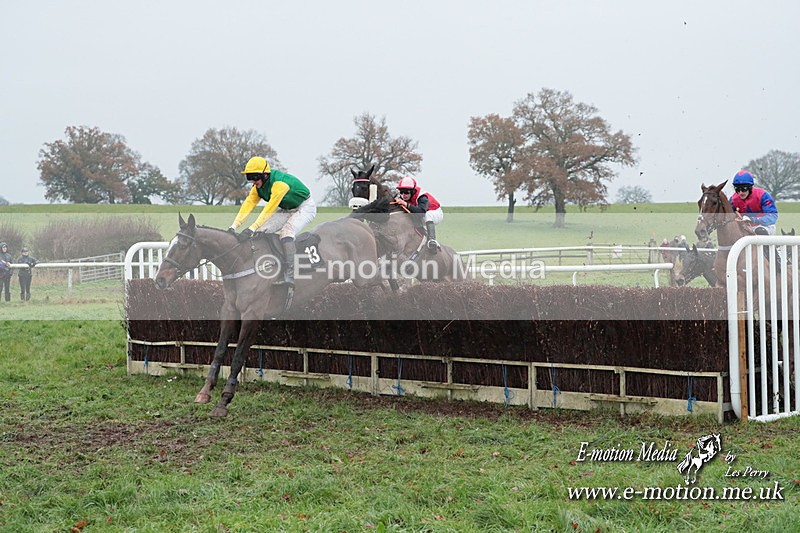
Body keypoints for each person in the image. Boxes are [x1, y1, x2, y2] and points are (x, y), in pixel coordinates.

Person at [228, 156, 317, 287]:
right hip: (287, 209)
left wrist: (251, 228)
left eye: (255, 177)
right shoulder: (258, 187)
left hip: (305, 207)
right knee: (260, 232)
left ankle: (291, 273)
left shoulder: (279, 185)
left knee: (286, 233)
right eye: (249, 177)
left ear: (265, 175)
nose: (253, 182)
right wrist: (233, 226)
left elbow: (269, 209)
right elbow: (248, 205)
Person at [394, 176, 443, 252]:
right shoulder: (402, 197)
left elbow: (421, 212)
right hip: (422, 215)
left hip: (435, 213)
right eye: (401, 192)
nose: (403, 195)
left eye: (406, 192)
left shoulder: (422, 197)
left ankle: (432, 240)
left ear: (413, 191)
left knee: (427, 215)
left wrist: (406, 204)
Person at [730, 170, 778, 235]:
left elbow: (773, 216)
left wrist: (753, 219)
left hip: (764, 226)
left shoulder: (763, 196)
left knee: (760, 231)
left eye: (744, 188)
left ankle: (765, 245)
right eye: (737, 189)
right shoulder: (733, 199)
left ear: (750, 187)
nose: (740, 192)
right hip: (745, 227)